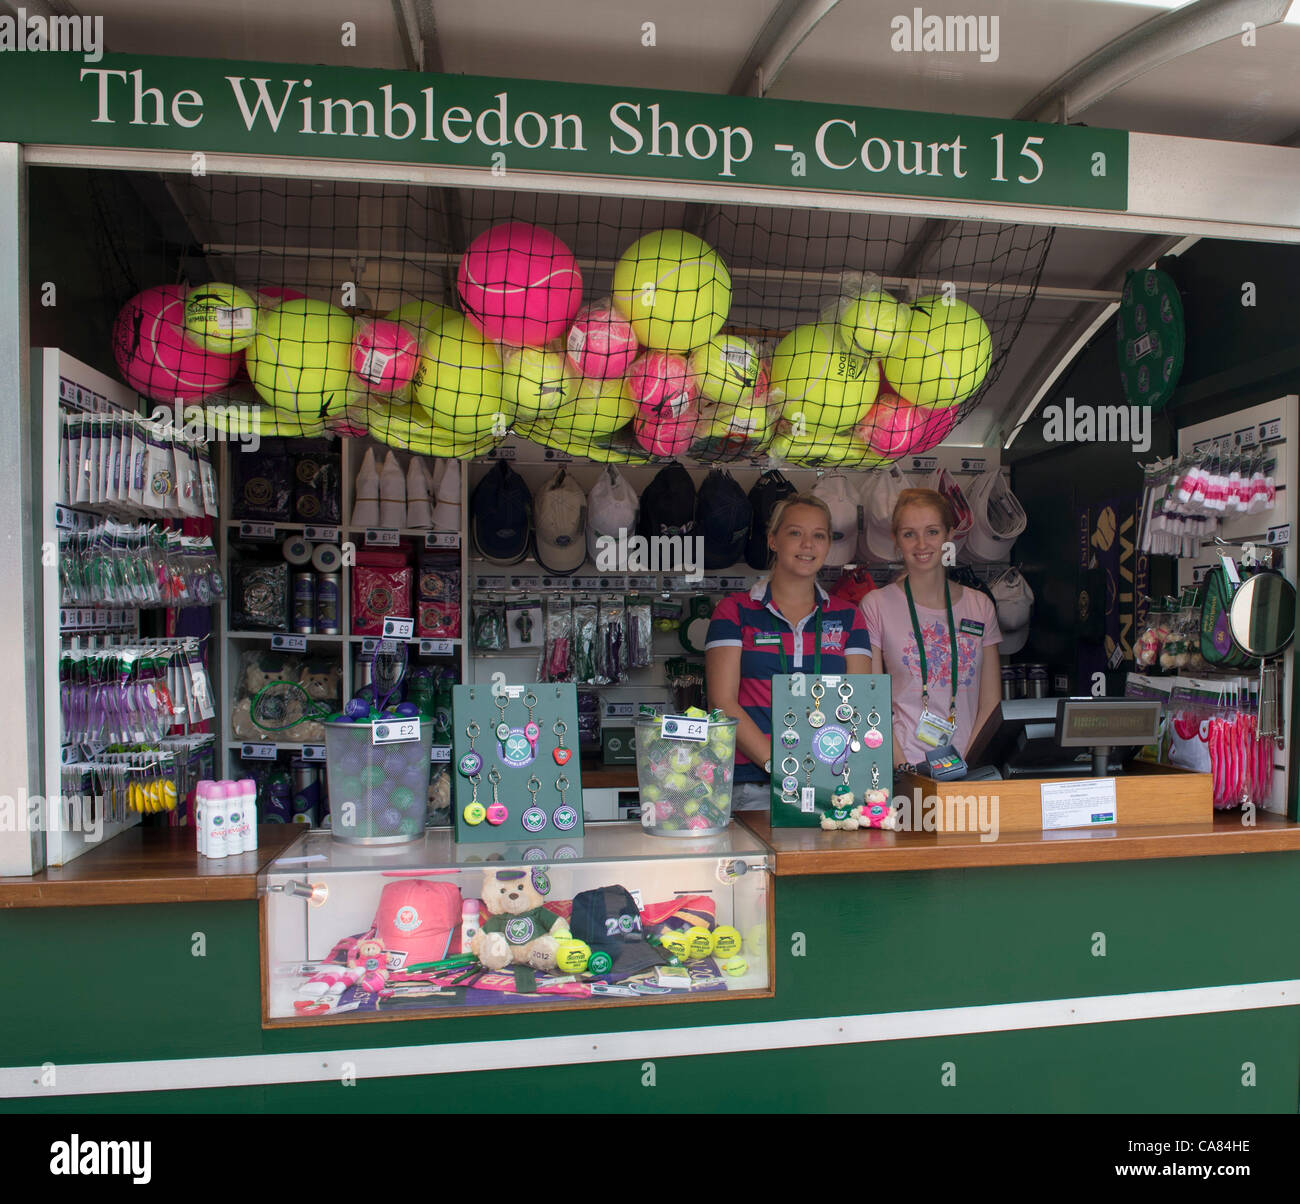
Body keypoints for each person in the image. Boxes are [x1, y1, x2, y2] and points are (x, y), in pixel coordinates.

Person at [705, 493, 872, 810]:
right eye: (795, 532)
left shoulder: (849, 616)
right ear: (773, 540)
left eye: (818, 535)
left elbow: (858, 703)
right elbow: (722, 703)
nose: (807, 544)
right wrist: (781, 767)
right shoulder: (734, 611)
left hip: (829, 781)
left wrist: (823, 774)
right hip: (751, 785)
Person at [861, 487, 1003, 771]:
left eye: (932, 532)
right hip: (902, 765)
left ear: (950, 534)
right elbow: (870, 699)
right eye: (909, 533)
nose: (921, 544)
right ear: (896, 539)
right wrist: (902, 768)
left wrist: (969, 763)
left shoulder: (979, 606)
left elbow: (991, 701)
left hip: (967, 765)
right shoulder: (877, 604)